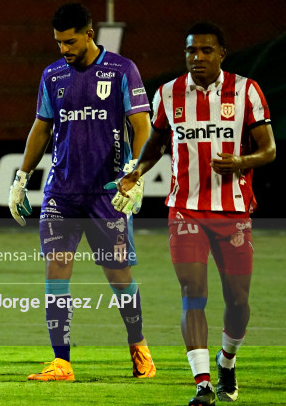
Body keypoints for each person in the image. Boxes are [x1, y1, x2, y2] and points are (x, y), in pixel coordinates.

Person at [114, 22, 276, 406]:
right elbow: (154, 145)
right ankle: (203, 383)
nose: (197, 58)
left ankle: (227, 361)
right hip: (184, 210)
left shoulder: (247, 90)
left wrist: (241, 160)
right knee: (193, 294)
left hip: (233, 211)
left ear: (222, 53)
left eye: (206, 51)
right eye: (191, 51)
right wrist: (135, 173)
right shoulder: (169, 94)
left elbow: (269, 150)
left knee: (238, 301)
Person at [8, 3, 155, 381]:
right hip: (62, 193)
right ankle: (62, 361)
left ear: (90, 34)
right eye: (58, 42)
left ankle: (139, 347)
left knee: (117, 275)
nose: (64, 50)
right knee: (56, 271)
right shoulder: (52, 74)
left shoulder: (122, 70)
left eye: (70, 41)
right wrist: (21, 178)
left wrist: (134, 173)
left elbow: (142, 126)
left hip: (107, 193)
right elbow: (41, 128)